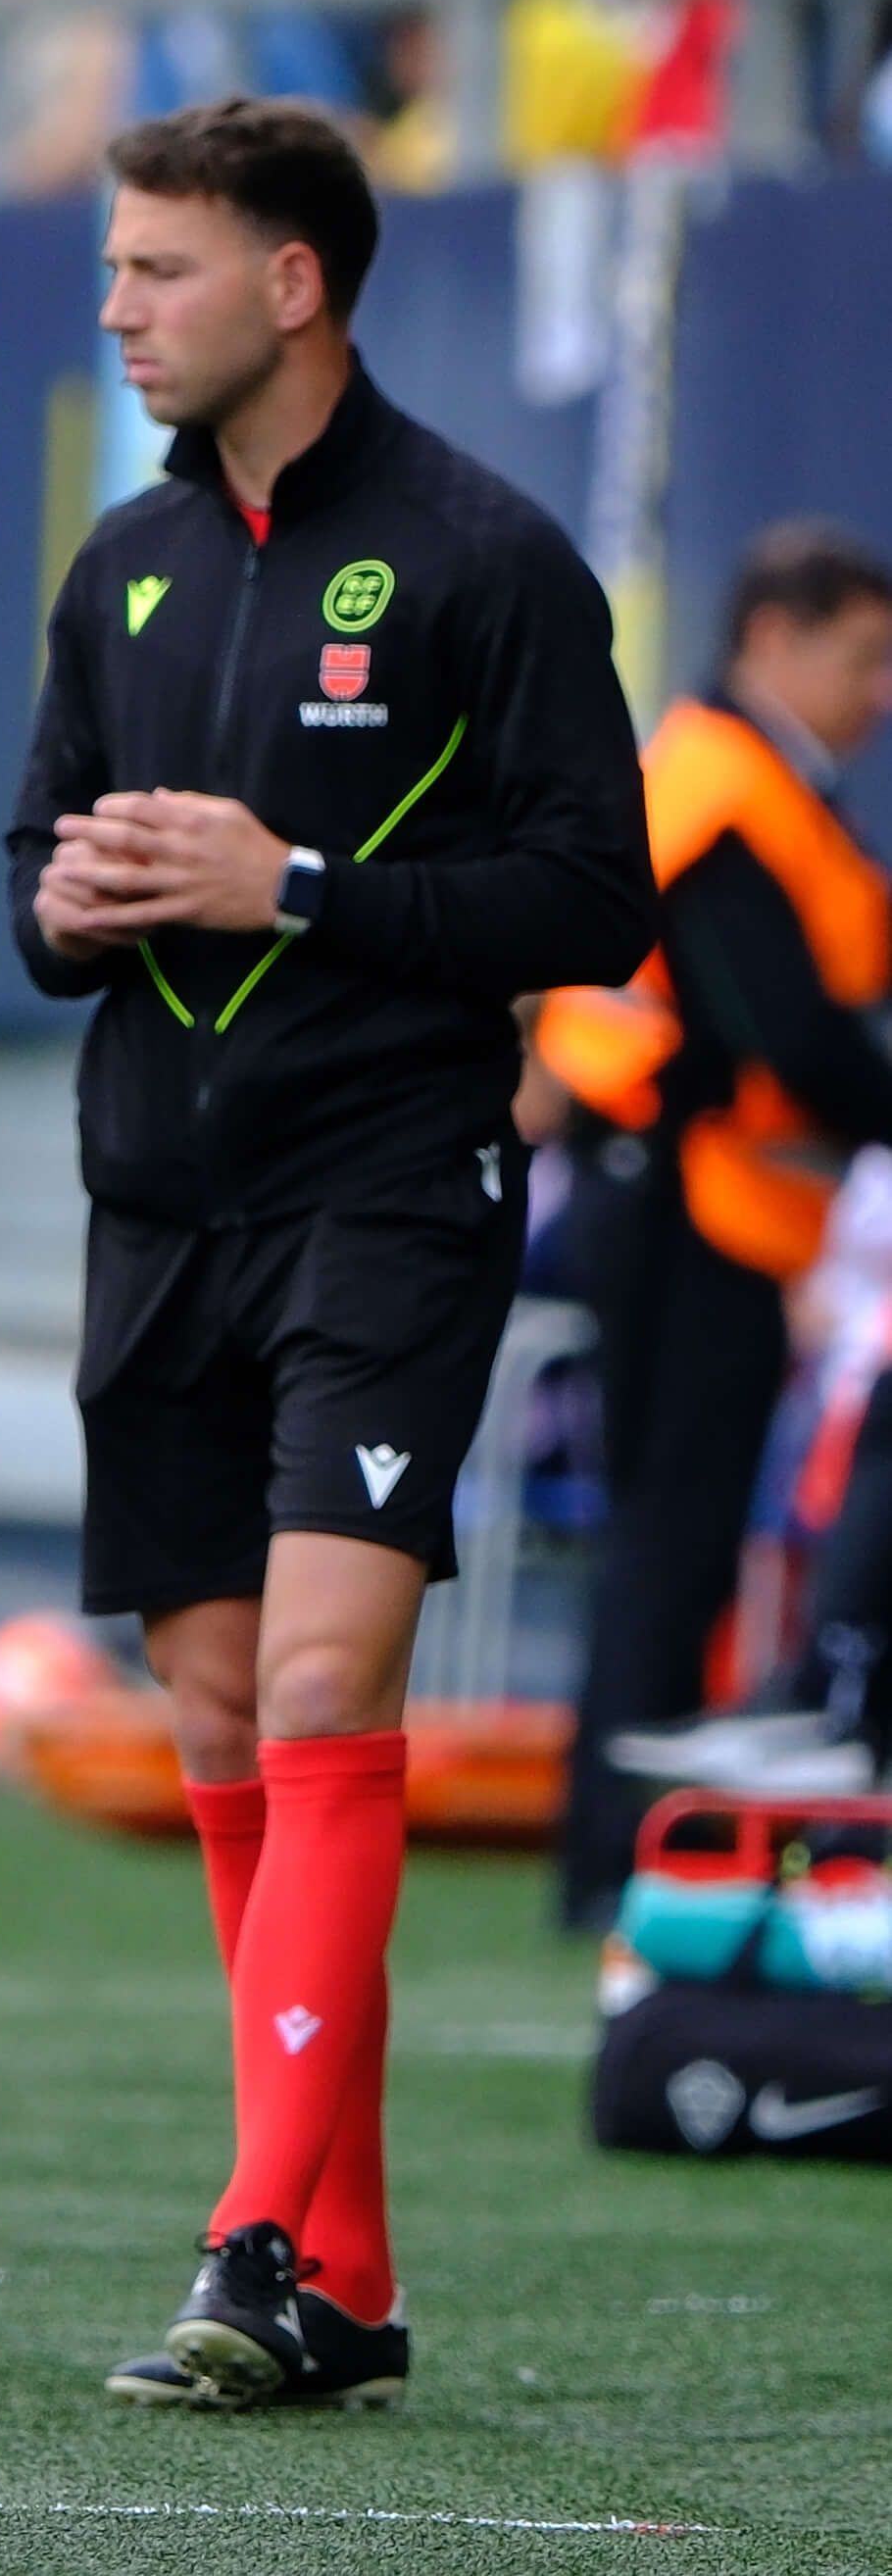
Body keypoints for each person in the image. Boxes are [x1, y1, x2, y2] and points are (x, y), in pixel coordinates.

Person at [10, 97, 655, 2410]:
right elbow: (35, 871)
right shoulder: (120, 567)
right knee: (206, 1711)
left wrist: (285, 883)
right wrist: (70, 906)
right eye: (109, 267)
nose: (116, 304)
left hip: (387, 1190)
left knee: (313, 1692)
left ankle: (253, 2229)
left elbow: (595, 901)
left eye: (153, 267)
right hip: (155, 1202)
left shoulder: (480, 554)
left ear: (289, 281)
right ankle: (339, 2275)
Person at [536, 521, 892, 1907]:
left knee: (670, 1535)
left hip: (707, 1206)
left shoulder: (760, 787)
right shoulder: (726, 792)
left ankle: (619, 1846)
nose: (878, 694)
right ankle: (614, 1854)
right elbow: (788, 1038)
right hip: (689, 1209)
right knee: (671, 1537)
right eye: (861, 659)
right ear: (772, 641)